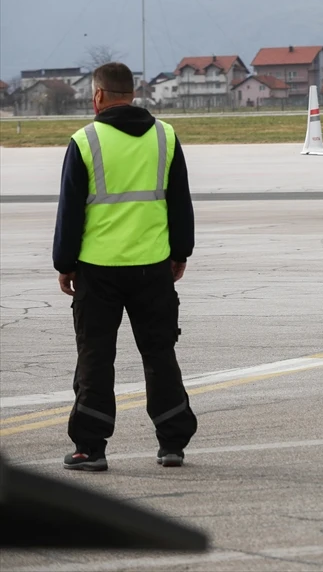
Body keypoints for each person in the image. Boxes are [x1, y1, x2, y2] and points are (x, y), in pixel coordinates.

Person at [53, 62, 197, 471]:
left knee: (96, 358)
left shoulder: (84, 140)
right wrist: (180, 253)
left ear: (97, 95)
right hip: (153, 267)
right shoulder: (166, 137)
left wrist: (65, 263)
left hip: (97, 271)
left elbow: (70, 212)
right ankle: (172, 443)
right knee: (159, 353)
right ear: (131, 94)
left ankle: (90, 449)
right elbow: (179, 203)